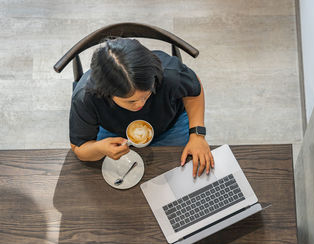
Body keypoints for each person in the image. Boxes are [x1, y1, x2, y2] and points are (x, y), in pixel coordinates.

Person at [69, 38, 214, 177]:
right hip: (113, 131)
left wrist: (197, 135)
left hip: (170, 125)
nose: (140, 104)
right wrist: (99, 148)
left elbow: (194, 90)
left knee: (183, 171)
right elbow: (79, 148)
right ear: (106, 92)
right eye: (131, 101)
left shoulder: (169, 73)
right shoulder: (85, 97)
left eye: (147, 95)